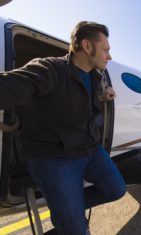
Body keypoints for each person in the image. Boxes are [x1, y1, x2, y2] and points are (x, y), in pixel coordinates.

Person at [0, 21, 126, 235]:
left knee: (117, 190)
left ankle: (66, 213)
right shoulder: (50, 69)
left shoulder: (94, 76)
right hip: (54, 157)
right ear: (87, 46)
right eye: (106, 49)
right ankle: (69, 219)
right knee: (77, 231)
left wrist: (101, 96)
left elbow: (78, 98)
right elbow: (10, 86)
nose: (109, 56)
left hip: (88, 148)